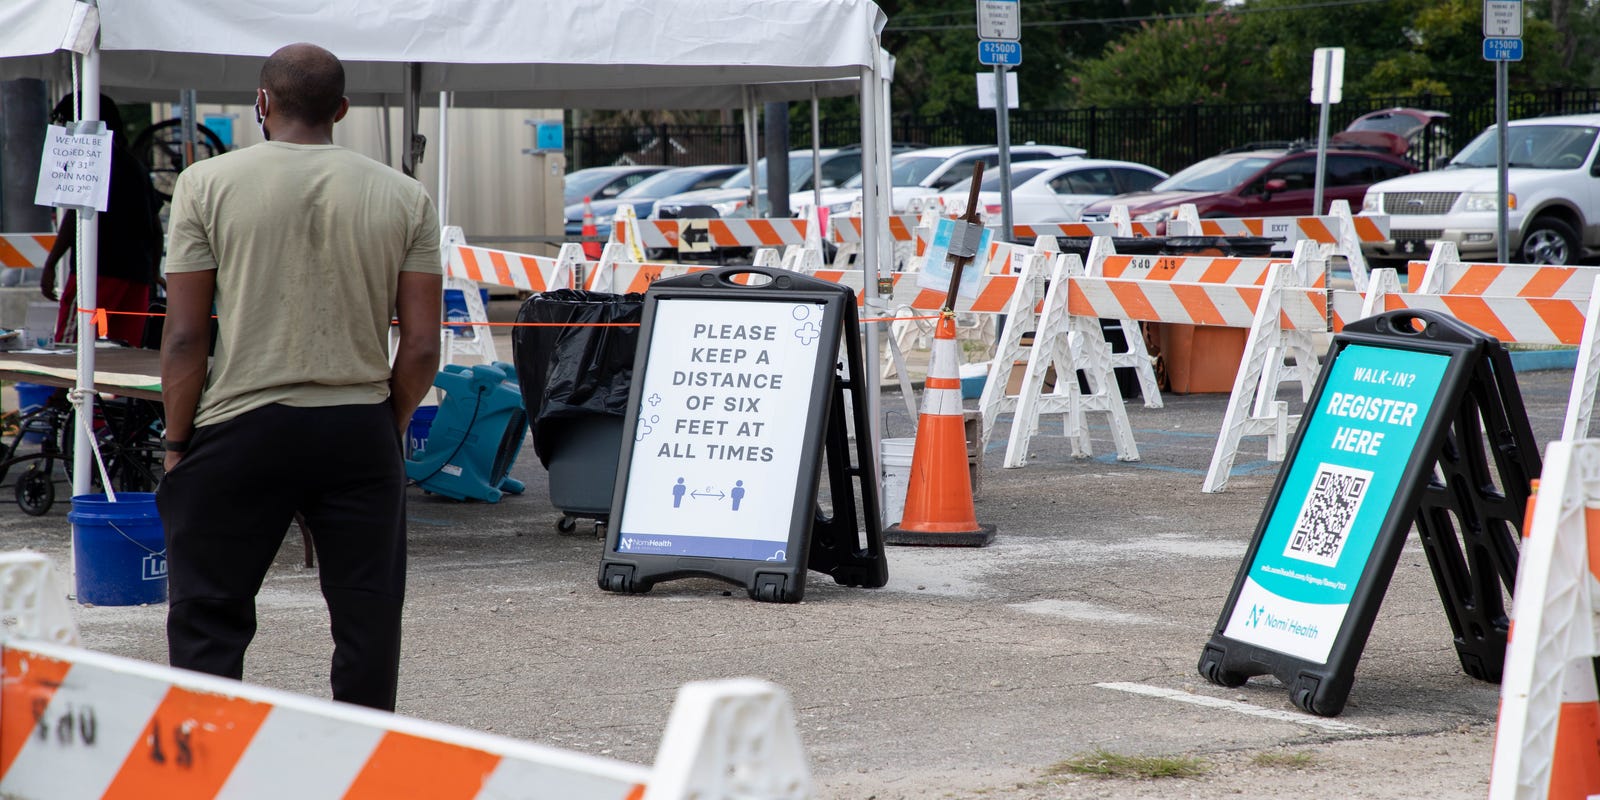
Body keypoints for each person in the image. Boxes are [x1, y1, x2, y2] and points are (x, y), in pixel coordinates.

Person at [157, 43, 442, 712]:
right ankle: (360, 765)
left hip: (239, 424)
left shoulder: (206, 183)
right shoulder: (404, 195)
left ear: (262, 102)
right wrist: (385, 420)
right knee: (367, 621)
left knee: (208, 616)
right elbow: (423, 345)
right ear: (341, 110)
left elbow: (185, 335)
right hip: (357, 426)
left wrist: (176, 443)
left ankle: (206, 762)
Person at [40, 94, 163, 345]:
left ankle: (62, 388)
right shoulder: (134, 164)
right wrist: (152, 271)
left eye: (65, 121)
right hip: (135, 279)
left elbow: (75, 214)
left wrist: (51, 263)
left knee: (75, 349)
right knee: (120, 355)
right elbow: (156, 226)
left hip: (98, 274)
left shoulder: (92, 160)